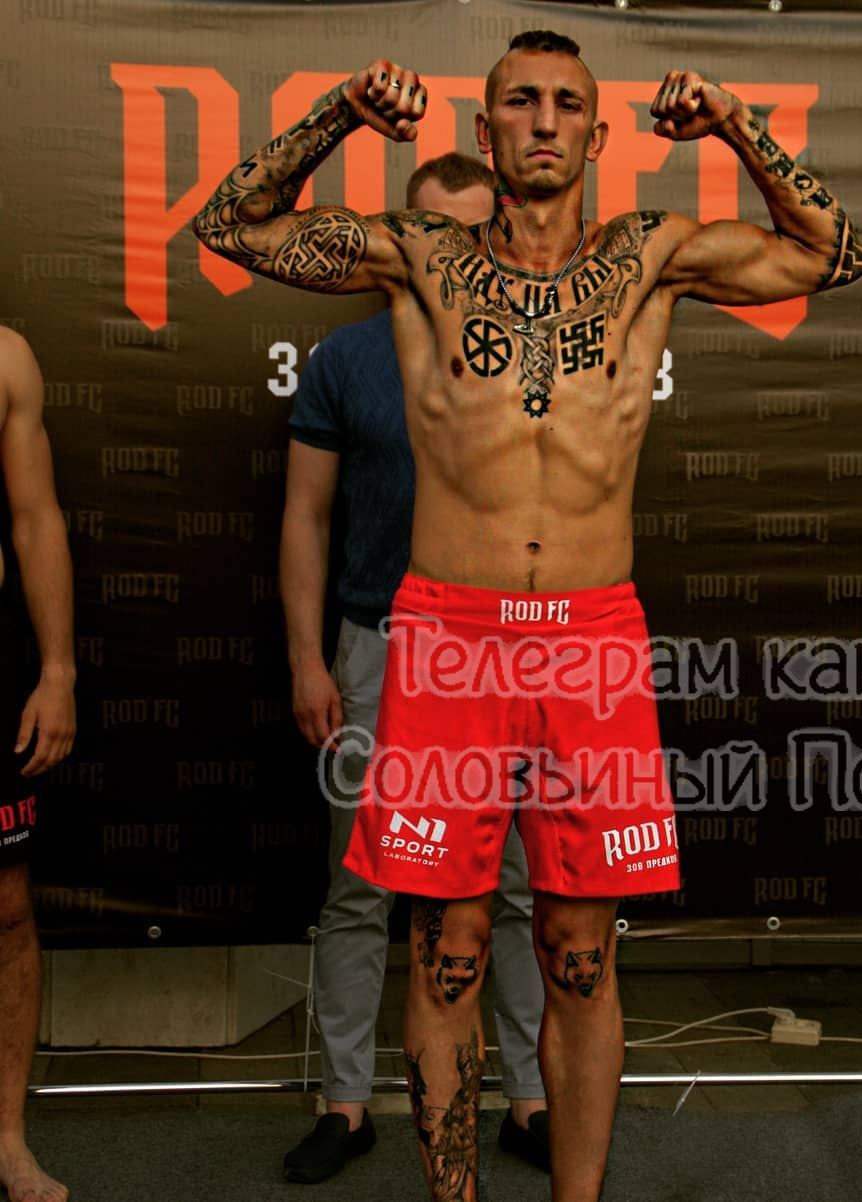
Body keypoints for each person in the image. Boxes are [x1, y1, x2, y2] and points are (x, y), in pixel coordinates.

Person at [194, 29, 862, 1202]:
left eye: (566, 103)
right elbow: (230, 224)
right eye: (519, 101)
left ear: (599, 135)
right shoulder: (421, 256)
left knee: (579, 952)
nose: (544, 119)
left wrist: (732, 123)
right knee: (447, 951)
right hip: (449, 637)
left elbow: (834, 250)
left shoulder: (653, 254)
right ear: (486, 128)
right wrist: (344, 111)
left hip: (591, 643)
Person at [279, 152, 550, 1184]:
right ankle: (345, 1106)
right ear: (403, 234)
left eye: (474, 230)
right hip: (377, 650)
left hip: (506, 653)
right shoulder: (348, 358)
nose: (454, 249)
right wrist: (308, 658)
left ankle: (530, 1100)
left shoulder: (540, 350)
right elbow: (305, 517)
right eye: (433, 229)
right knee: (359, 887)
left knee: (514, 885)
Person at [0, 328, 77, 1202]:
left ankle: (7, 1141)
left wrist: (57, 670)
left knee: (7, 912)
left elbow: (34, 519)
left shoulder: (7, 358)